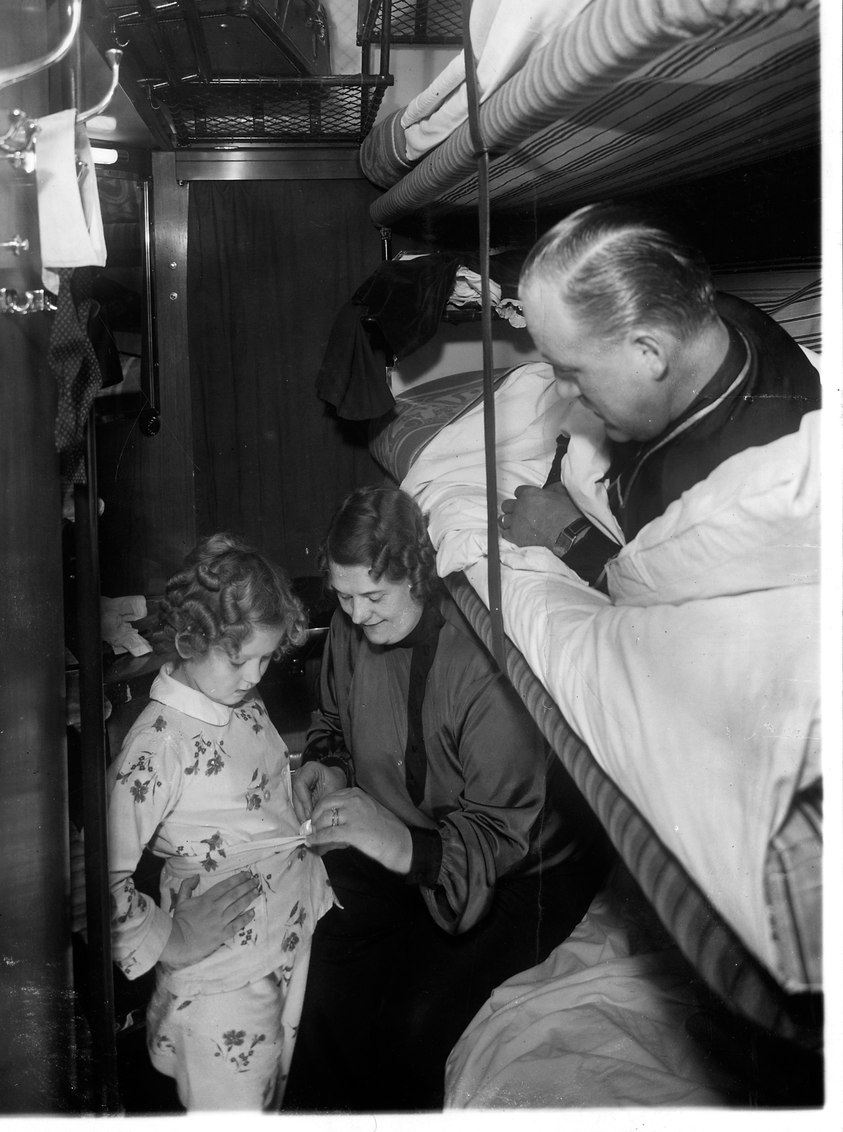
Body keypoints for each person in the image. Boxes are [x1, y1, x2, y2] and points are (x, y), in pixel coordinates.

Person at [281, 486, 610, 1113]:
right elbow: (334, 721)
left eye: (373, 597)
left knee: (414, 1022)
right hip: (407, 835)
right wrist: (329, 765)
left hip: (520, 867)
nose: (357, 616)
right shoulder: (352, 627)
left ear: (416, 575)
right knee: (327, 960)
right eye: (344, 598)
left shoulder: (483, 664)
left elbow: (501, 829)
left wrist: (400, 844)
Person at [107, 533, 334, 1111]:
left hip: (286, 936)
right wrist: (173, 937)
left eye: (265, 658)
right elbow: (102, 879)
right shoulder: (158, 746)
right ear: (192, 638)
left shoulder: (236, 697)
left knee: (272, 1094)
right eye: (241, 660)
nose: (255, 675)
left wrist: (289, 788)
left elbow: (241, 791)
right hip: (224, 974)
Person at [500, 202, 821, 584]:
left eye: (572, 371)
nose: (561, 388)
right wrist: (560, 485)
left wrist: (567, 536)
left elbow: (667, 598)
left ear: (650, 354)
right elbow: (579, 428)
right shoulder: (710, 314)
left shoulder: (719, 491)